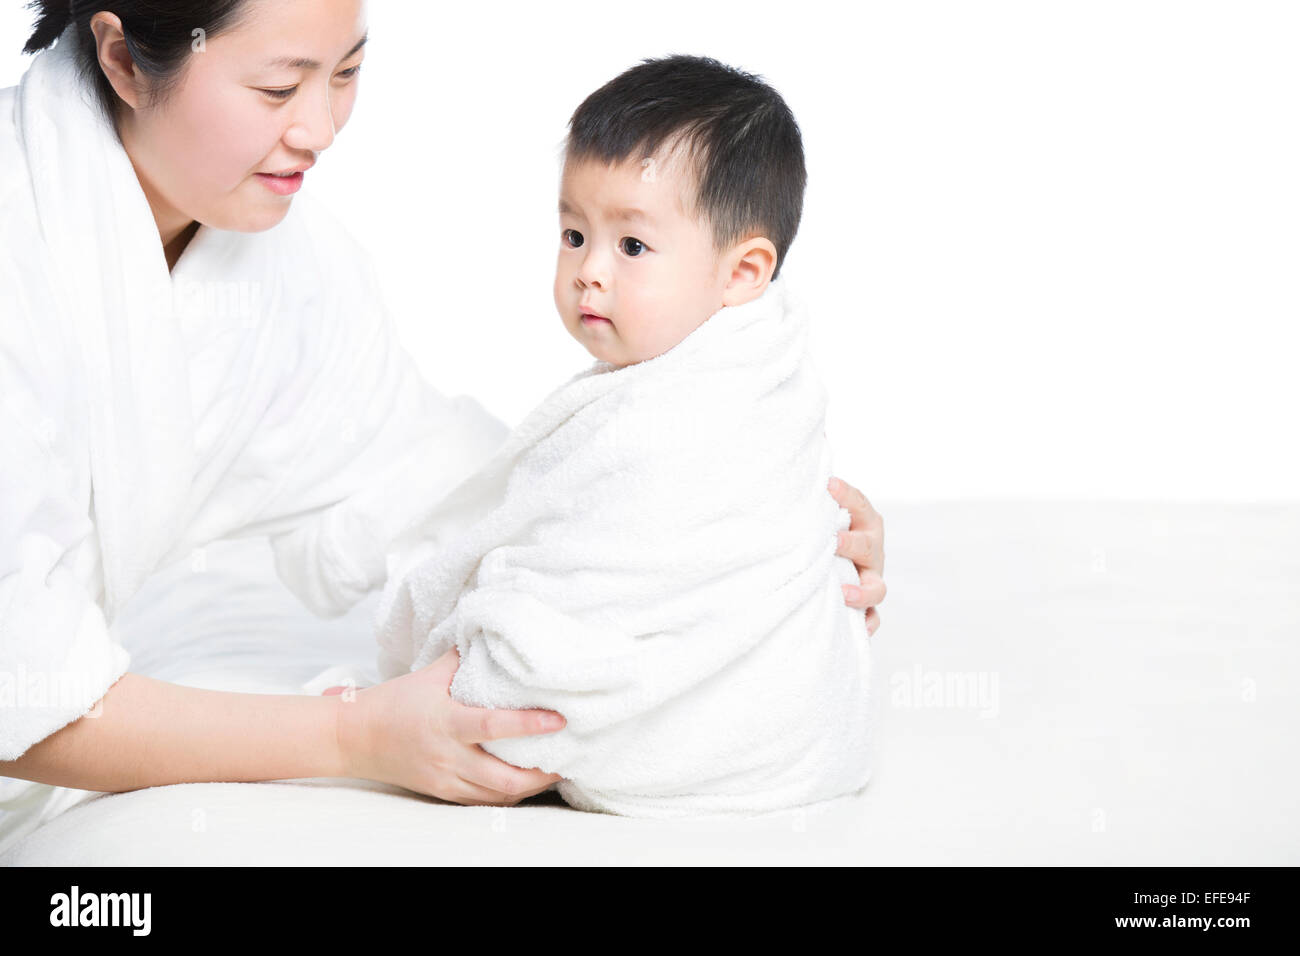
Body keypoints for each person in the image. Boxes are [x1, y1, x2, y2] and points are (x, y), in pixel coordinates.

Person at [0, 0, 887, 817]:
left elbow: (438, 492)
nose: (318, 130)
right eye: (278, 86)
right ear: (122, 59)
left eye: (345, 74)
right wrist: (353, 733)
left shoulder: (281, 269)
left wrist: (731, 544)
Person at [374, 55, 872, 816]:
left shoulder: (719, 409)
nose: (588, 272)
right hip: (812, 761)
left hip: (719, 734)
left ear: (744, 273)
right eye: (574, 234)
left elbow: (648, 573)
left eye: (632, 247)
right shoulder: (694, 378)